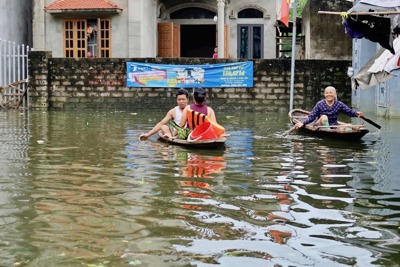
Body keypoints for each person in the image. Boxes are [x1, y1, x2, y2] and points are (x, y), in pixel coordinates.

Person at [295, 86, 364, 129]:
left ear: (334, 94)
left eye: (331, 93)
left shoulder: (339, 104)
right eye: (327, 93)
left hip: (333, 125)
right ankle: (327, 130)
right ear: (324, 94)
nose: (329, 95)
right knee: (324, 117)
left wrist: (356, 114)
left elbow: (349, 112)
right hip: (320, 125)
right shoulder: (320, 104)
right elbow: (312, 116)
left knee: (348, 126)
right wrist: (303, 123)